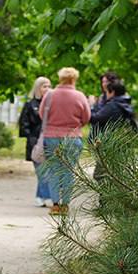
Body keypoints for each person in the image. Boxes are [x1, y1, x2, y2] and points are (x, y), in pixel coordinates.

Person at [40, 67, 91, 215]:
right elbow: (86, 117)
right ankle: (65, 205)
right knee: (68, 171)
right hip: (73, 137)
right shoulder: (80, 96)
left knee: (55, 170)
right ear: (74, 79)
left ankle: (55, 205)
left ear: (60, 78)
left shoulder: (50, 95)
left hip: (51, 137)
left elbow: (42, 114)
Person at [20, 76, 53, 207]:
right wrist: (31, 138)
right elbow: (23, 125)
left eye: (50, 86)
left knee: (48, 171)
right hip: (35, 143)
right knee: (41, 171)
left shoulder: (53, 104)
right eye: (45, 86)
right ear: (38, 88)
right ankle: (46, 197)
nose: (48, 89)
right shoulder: (30, 105)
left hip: (50, 141)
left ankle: (40, 196)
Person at [89, 70, 119, 140]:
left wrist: (92, 105)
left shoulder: (115, 100)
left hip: (108, 136)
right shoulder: (102, 97)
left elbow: (98, 117)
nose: (104, 84)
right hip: (97, 135)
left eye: (106, 82)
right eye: (103, 82)